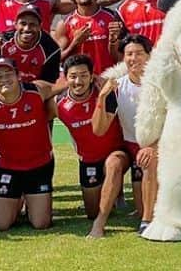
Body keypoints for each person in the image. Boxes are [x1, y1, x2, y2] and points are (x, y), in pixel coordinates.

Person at [0, 57, 61, 231]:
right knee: (0, 225)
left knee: (41, 223)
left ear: (18, 76)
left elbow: (64, 85)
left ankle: (25, 199)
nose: (3, 79)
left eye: (8, 73)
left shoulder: (36, 91)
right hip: (6, 165)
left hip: (39, 164)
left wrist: (96, 79)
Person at [91, 34, 158, 237]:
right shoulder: (117, 87)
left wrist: (155, 146)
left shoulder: (161, 84)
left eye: (139, 53)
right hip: (130, 146)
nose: (133, 58)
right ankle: (99, 223)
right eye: (129, 54)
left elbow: (175, 122)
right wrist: (102, 98)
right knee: (112, 163)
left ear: (149, 56)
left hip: (156, 145)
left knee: (150, 161)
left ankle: (146, 221)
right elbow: (99, 129)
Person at [55, 54, 125, 232]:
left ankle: (115, 193)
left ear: (92, 76)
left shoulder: (107, 93)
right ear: (65, 78)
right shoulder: (58, 103)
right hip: (88, 159)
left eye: (84, 75)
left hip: (115, 153)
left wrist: (101, 97)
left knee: (114, 164)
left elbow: (99, 130)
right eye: (73, 76)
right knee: (92, 211)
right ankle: (110, 193)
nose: (78, 81)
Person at [0, 4, 61, 86]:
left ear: (40, 26)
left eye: (32, 24)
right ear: (15, 25)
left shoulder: (51, 49)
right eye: (23, 23)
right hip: (4, 89)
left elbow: (47, 87)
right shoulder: (1, 42)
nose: (27, 29)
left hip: (34, 91)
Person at [54, 0, 122, 73]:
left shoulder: (113, 18)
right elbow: (56, 60)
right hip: (80, 83)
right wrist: (75, 43)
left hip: (107, 80)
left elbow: (122, 57)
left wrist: (114, 41)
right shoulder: (64, 24)